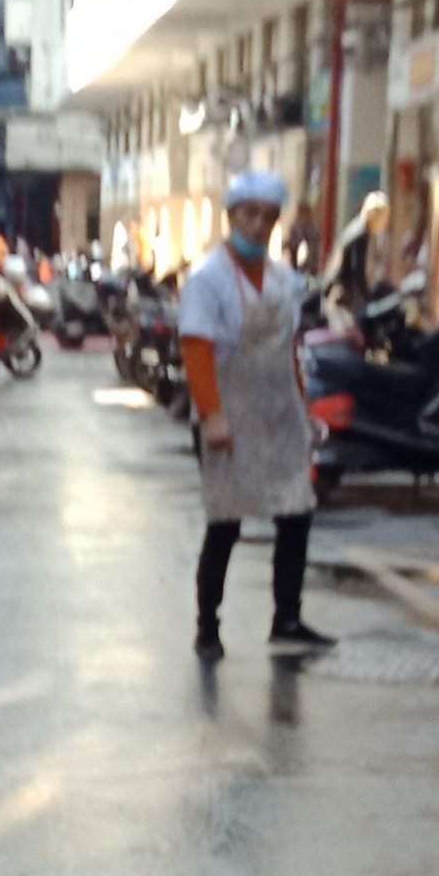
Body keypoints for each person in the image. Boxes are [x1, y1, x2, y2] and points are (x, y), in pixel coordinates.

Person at [182, 170, 334, 662]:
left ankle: (287, 619)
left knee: (296, 511)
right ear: (231, 216)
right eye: (250, 214)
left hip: (278, 413)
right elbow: (196, 349)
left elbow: (288, 348)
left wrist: (301, 406)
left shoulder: (283, 280)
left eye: (268, 217)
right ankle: (208, 628)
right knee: (225, 521)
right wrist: (211, 416)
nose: (259, 225)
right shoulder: (208, 280)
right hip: (227, 414)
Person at [334, 190, 395, 316]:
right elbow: (358, 270)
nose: (383, 223)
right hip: (345, 293)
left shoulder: (361, 229)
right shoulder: (360, 234)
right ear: (373, 214)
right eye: (382, 217)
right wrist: (368, 297)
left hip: (348, 290)